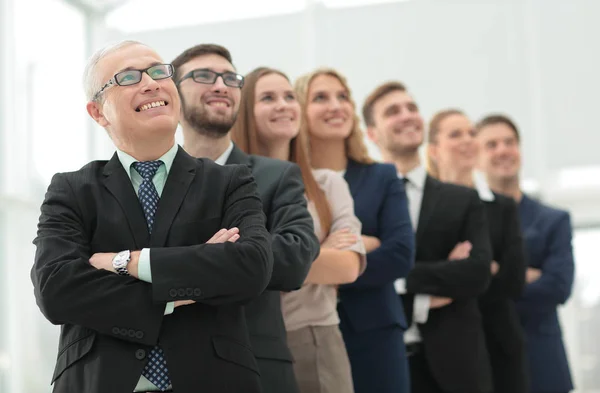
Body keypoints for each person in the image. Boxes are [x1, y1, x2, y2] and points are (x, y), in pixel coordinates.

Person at [30, 40, 274, 393]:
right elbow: (56, 289)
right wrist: (180, 288)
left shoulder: (228, 181)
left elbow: (251, 267)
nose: (151, 82)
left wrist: (125, 262)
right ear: (98, 112)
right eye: (129, 77)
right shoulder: (72, 190)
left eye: (159, 71)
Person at [172, 45, 320, 393]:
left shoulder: (277, 175)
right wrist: (242, 253)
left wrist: (181, 260)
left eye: (230, 78)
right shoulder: (147, 182)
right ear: (173, 95)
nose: (221, 85)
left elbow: (296, 258)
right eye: (203, 76)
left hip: (257, 368)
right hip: (168, 368)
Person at [230, 66, 367, 393]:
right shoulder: (228, 185)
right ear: (245, 111)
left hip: (314, 338)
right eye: (268, 97)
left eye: (289, 97)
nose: (283, 105)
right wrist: (316, 251)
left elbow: (348, 266)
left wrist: (250, 260)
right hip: (243, 340)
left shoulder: (328, 183)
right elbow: (218, 264)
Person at [363, 82, 493, 393]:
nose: (407, 116)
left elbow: (475, 273)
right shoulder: (359, 200)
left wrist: (397, 278)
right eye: (393, 111)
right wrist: (434, 283)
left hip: (457, 367)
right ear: (372, 133)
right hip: (379, 362)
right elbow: (354, 277)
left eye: (412, 108)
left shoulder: (461, 199)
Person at [295, 69, 415, 393]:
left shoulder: (383, 176)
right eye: (320, 98)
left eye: (342, 97)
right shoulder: (287, 180)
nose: (336, 106)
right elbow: (280, 249)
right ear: (299, 111)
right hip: (306, 333)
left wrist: (330, 264)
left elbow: (401, 254)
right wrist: (363, 244)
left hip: (375, 334)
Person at [426, 108, 528, 393]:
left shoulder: (502, 206)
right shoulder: (422, 204)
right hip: (442, 344)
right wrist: (480, 267)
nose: (469, 140)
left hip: (498, 341)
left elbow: (514, 280)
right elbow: (412, 273)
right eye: (456, 134)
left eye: (472, 133)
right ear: (433, 150)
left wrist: (459, 272)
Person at [476, 114, 575, 393]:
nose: (503, 150)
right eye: (491, 144)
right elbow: (465, 287)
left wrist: (498, 276)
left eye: (509, 142)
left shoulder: (553, 220)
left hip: (541, 363)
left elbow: (557, 287)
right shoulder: (468, 218)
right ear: (476, 156)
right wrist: (523, 275)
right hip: (487, 362)